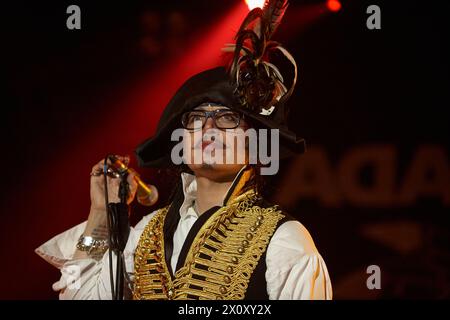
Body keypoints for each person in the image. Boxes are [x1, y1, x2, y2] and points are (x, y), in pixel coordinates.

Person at [35, 1, 332, 300]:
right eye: (196, 119)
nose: (208, 128)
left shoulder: (285, 241)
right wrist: (100, 214)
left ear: (255, 142)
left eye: (227, 118)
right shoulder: (147, 234)